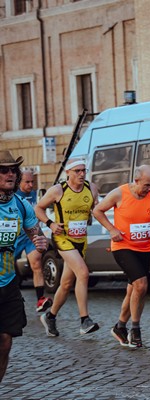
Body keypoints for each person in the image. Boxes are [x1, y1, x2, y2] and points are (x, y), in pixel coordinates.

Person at [93, 165, 150, 348]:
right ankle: (135, 330)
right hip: (123, 247)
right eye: (146, 185)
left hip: (144, 248)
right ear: (136, 181)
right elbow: (97, 211)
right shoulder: (119, 193)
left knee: (133, 290)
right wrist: (112, 229)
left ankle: (120, 327)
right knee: (141, 284)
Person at [35, 158, 100, 337]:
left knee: (65, 284)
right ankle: (84, 320)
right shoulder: (58, 190)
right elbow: (38, 208)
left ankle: (50, 316)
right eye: (77, 171)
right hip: (63, 239)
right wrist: (50, 223)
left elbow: (96, 209)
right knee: (83, 273)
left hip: (81, 240)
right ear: (68, 173)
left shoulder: (92, 189)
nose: (81, 174)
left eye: (83, 170)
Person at [0, 151, 48, 382]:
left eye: (13, 170)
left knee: (5, 341)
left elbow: (36, 234)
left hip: (8, 281)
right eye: (3, 170)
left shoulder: (20, 204)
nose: (10, 174)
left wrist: (41, 241)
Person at [14, 168, 52, 312]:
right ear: (19, 182)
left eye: (32, 182)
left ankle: (40, 299)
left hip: (31, 236)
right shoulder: (13, 196)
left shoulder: (37, 195)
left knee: (36, 265)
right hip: (15, 237)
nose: (31, 185)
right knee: (8, 268)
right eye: (27, 182)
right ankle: (14, 296)